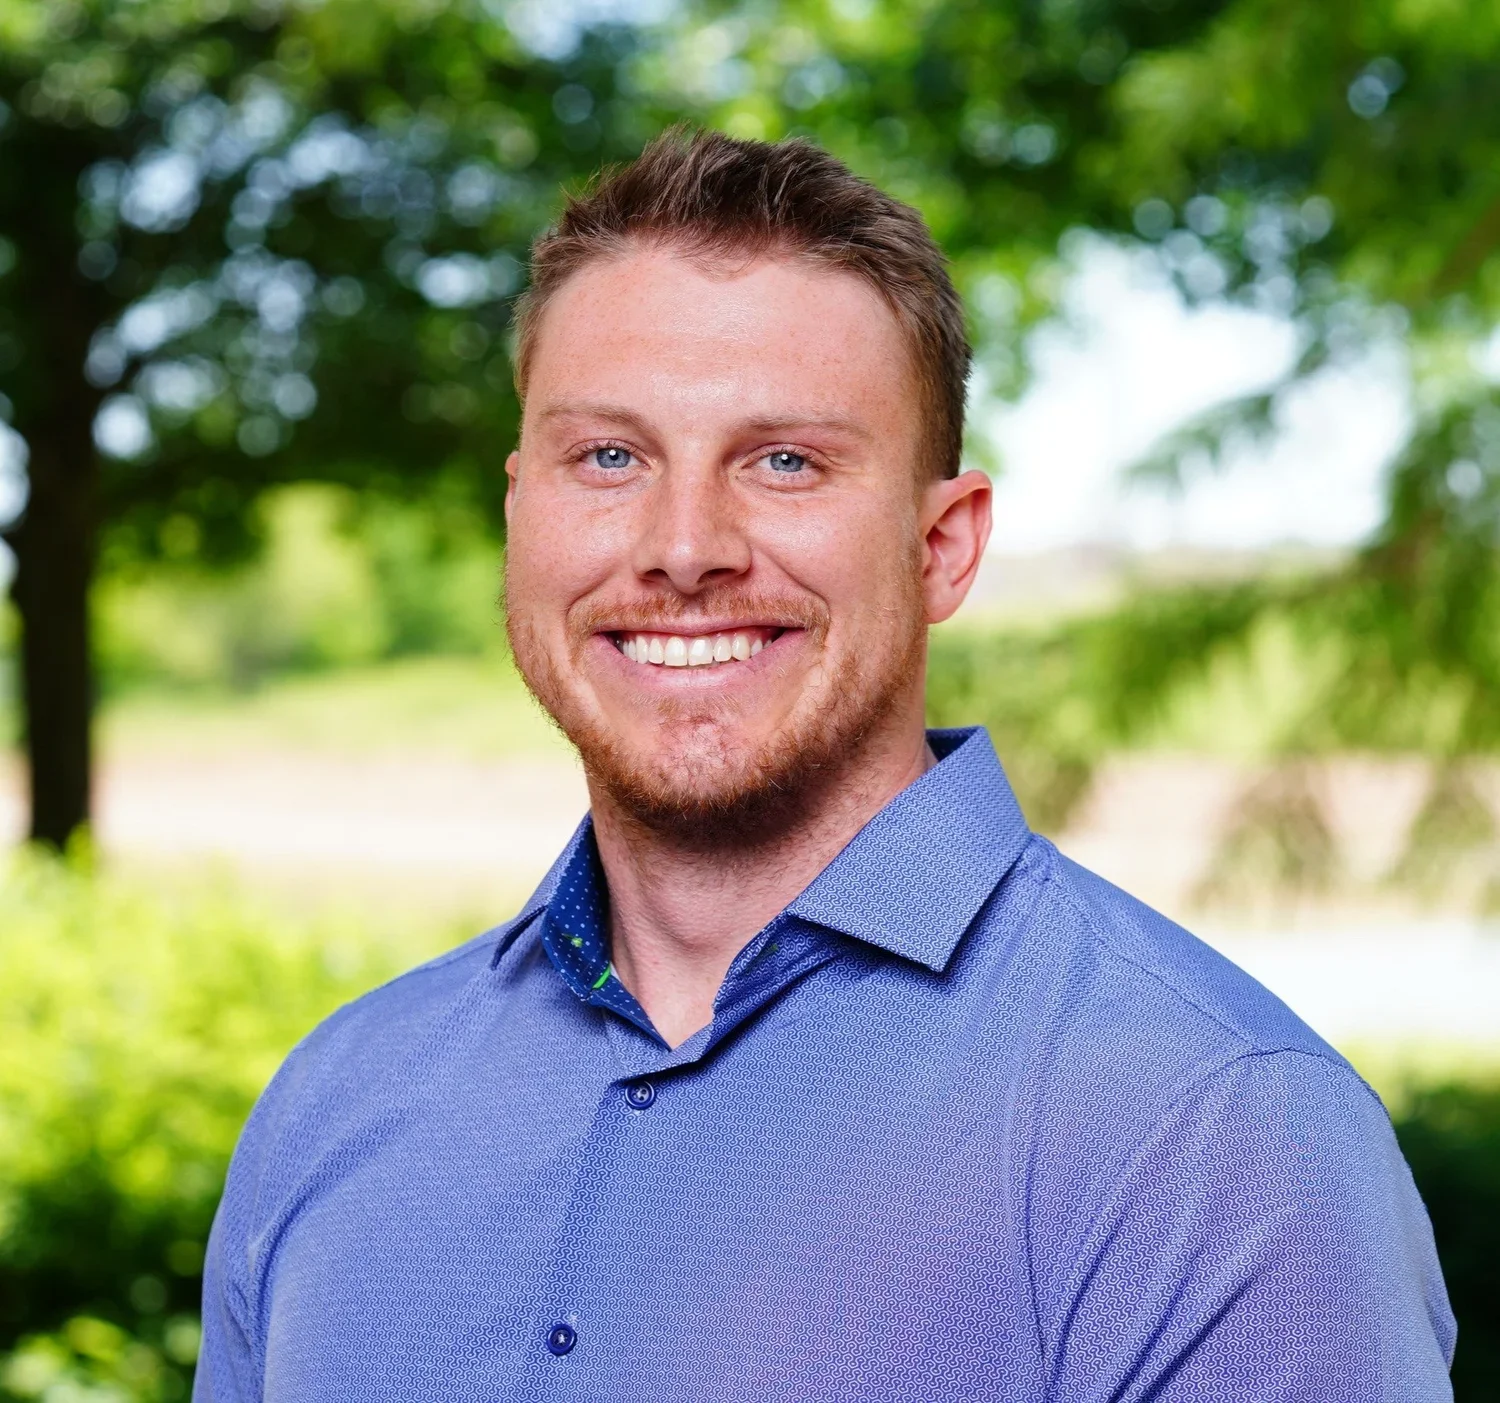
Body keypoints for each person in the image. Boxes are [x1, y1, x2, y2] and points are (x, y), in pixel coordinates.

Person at [195, 128, 1455, 1402]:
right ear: (520, 512)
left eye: (785, 461)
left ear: (943, 545)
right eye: (610, 457)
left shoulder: (1220, 1137)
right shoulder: (333, 1103)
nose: (684, 547)